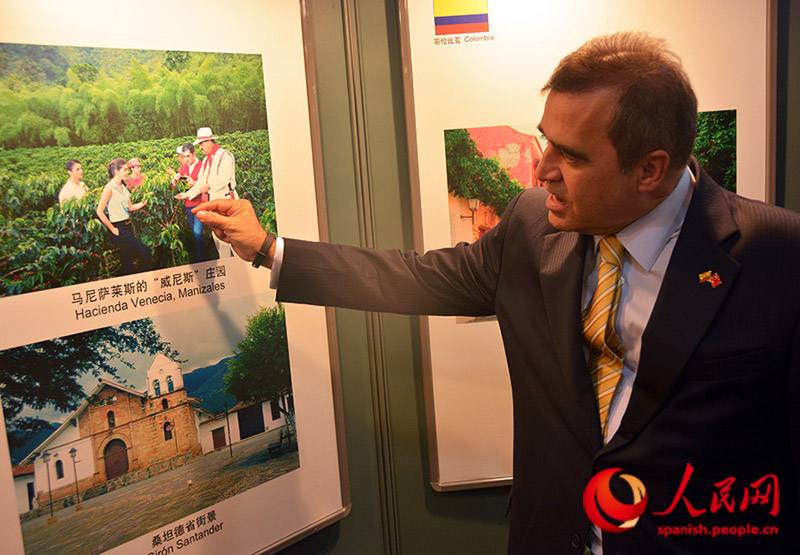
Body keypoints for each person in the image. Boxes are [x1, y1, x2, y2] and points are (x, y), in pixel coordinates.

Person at [194, 32, 799, 554]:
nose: (542, 171)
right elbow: (417, 276)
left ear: (649, 169)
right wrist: (269, 248)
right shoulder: (533, 224)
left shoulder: (777, 256)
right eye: (546, 141)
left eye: (572, 156)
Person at [178, 127, 237, 258]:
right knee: (220, 241)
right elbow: (200, 181)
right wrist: (187, 194)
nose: (200, 148)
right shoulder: (206, 160)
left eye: (202, 144)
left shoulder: (224, 156)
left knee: (233, 238)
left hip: (227, 199)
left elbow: (223, 178)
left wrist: (208, 186)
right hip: (214, 202)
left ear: (209, 141)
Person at [96, 158, 152, 275]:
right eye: (125, 170)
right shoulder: (110, 187)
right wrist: (113, 229)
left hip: (128, 225)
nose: (128, 172)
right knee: (145, 252)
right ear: (117, 172)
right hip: (119, 228)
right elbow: (99, 211)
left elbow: (129, 207)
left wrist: (143, 204)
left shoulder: (124, 186)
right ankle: (145, 279)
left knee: (127, 260)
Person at [171, 142, 207, 262]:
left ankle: (201, 260)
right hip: (188, 204)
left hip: (199, 204)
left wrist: (194, 183)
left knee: (197, 232)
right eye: (184, 156)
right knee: (194, 232)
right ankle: (201, 255)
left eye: (188, 156)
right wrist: (175, 179)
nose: (186, 159)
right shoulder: (184, 167)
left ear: (194, 154)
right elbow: (174, 184)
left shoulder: (202, 166)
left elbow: (206, 186)